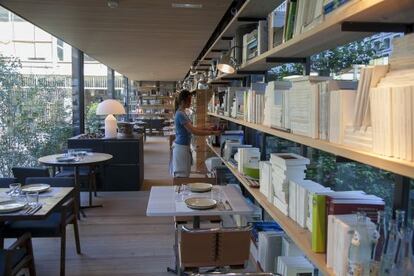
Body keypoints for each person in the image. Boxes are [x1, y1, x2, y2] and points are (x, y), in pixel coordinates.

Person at [171, 90, 221, 177]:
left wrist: (207, 127)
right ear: (183, 101)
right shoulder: (180, 114)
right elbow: (193, 131)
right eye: (189, 100)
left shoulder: (182, 112)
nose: (191, 102)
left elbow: (193, 127)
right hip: (181, 148)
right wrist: (212, 132)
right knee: (182, 175)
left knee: (185, 174)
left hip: (183, 147)